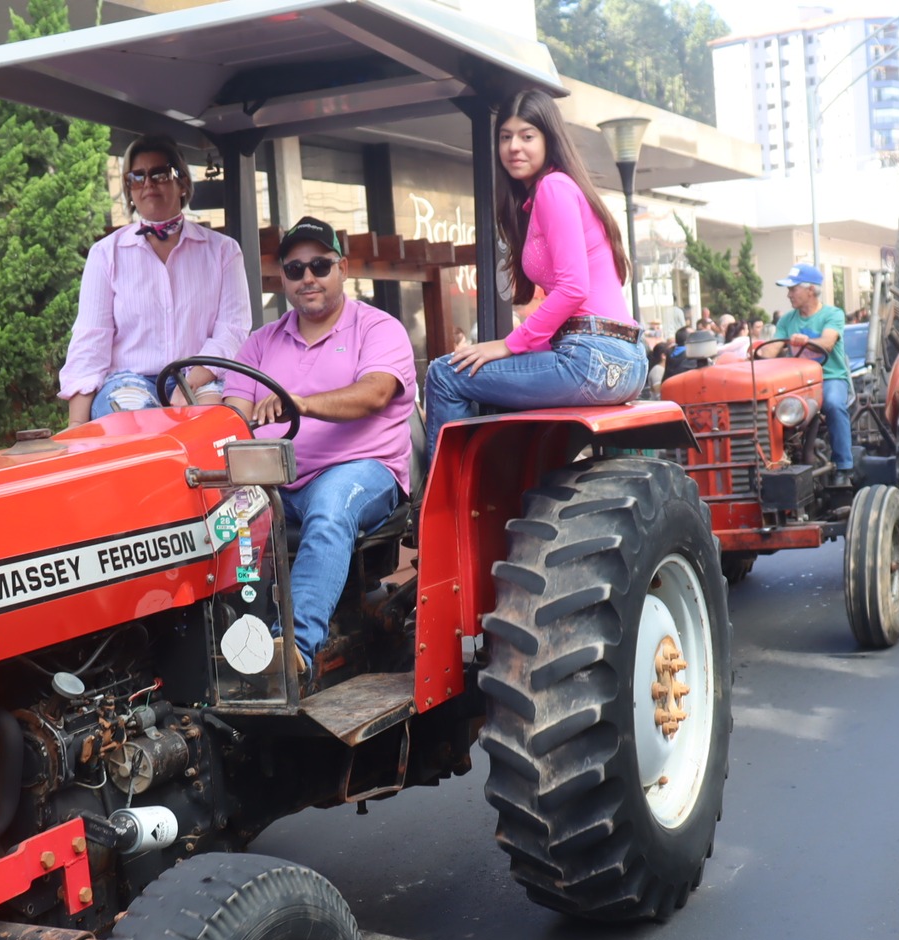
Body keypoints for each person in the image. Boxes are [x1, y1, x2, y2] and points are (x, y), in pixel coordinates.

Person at [223, 218, 417, 684]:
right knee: (217, 512)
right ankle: (222, 643)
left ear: (342, 269)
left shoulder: (379, 329)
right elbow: (233, 416)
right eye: (295, 268)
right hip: (275, 479)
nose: (307, 277)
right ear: (282, 278)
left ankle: (292, 651)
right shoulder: (259, 343)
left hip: (361, 470)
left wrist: (299, 404)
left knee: (330, 508)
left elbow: (373, 393)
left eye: (319, 265)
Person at [422, 89, 646, 454]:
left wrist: (509, 345)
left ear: (548, 140)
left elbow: (574, 289)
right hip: (623, 359)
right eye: (505, 137)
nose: (514, 147)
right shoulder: (552, 194)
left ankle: (443, 507)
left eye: (527, 136)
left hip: (590, 357)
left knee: (446, 373)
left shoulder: (553, 188)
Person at [60, 134, 251, 424]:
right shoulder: (105, 254)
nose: (147, 183)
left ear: (182, 182)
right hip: (128, 381)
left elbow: (233, 330)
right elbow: (91, 340)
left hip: (201, 375)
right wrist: (75, 427)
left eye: (159, 174)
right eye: (136, 177)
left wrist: (193, 382)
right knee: (141, 428)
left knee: (210, 427)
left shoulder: (224, 251)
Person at [776, 263, 852, 471]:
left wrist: (806, 341)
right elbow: (769, 350)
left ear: (810, 290)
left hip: (829, 377)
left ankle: (844, 465)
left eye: (793, 289)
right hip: (795, 383)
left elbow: (828, 342)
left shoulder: (832, 314)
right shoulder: (785, 321)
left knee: (834, 404)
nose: (789, 294)